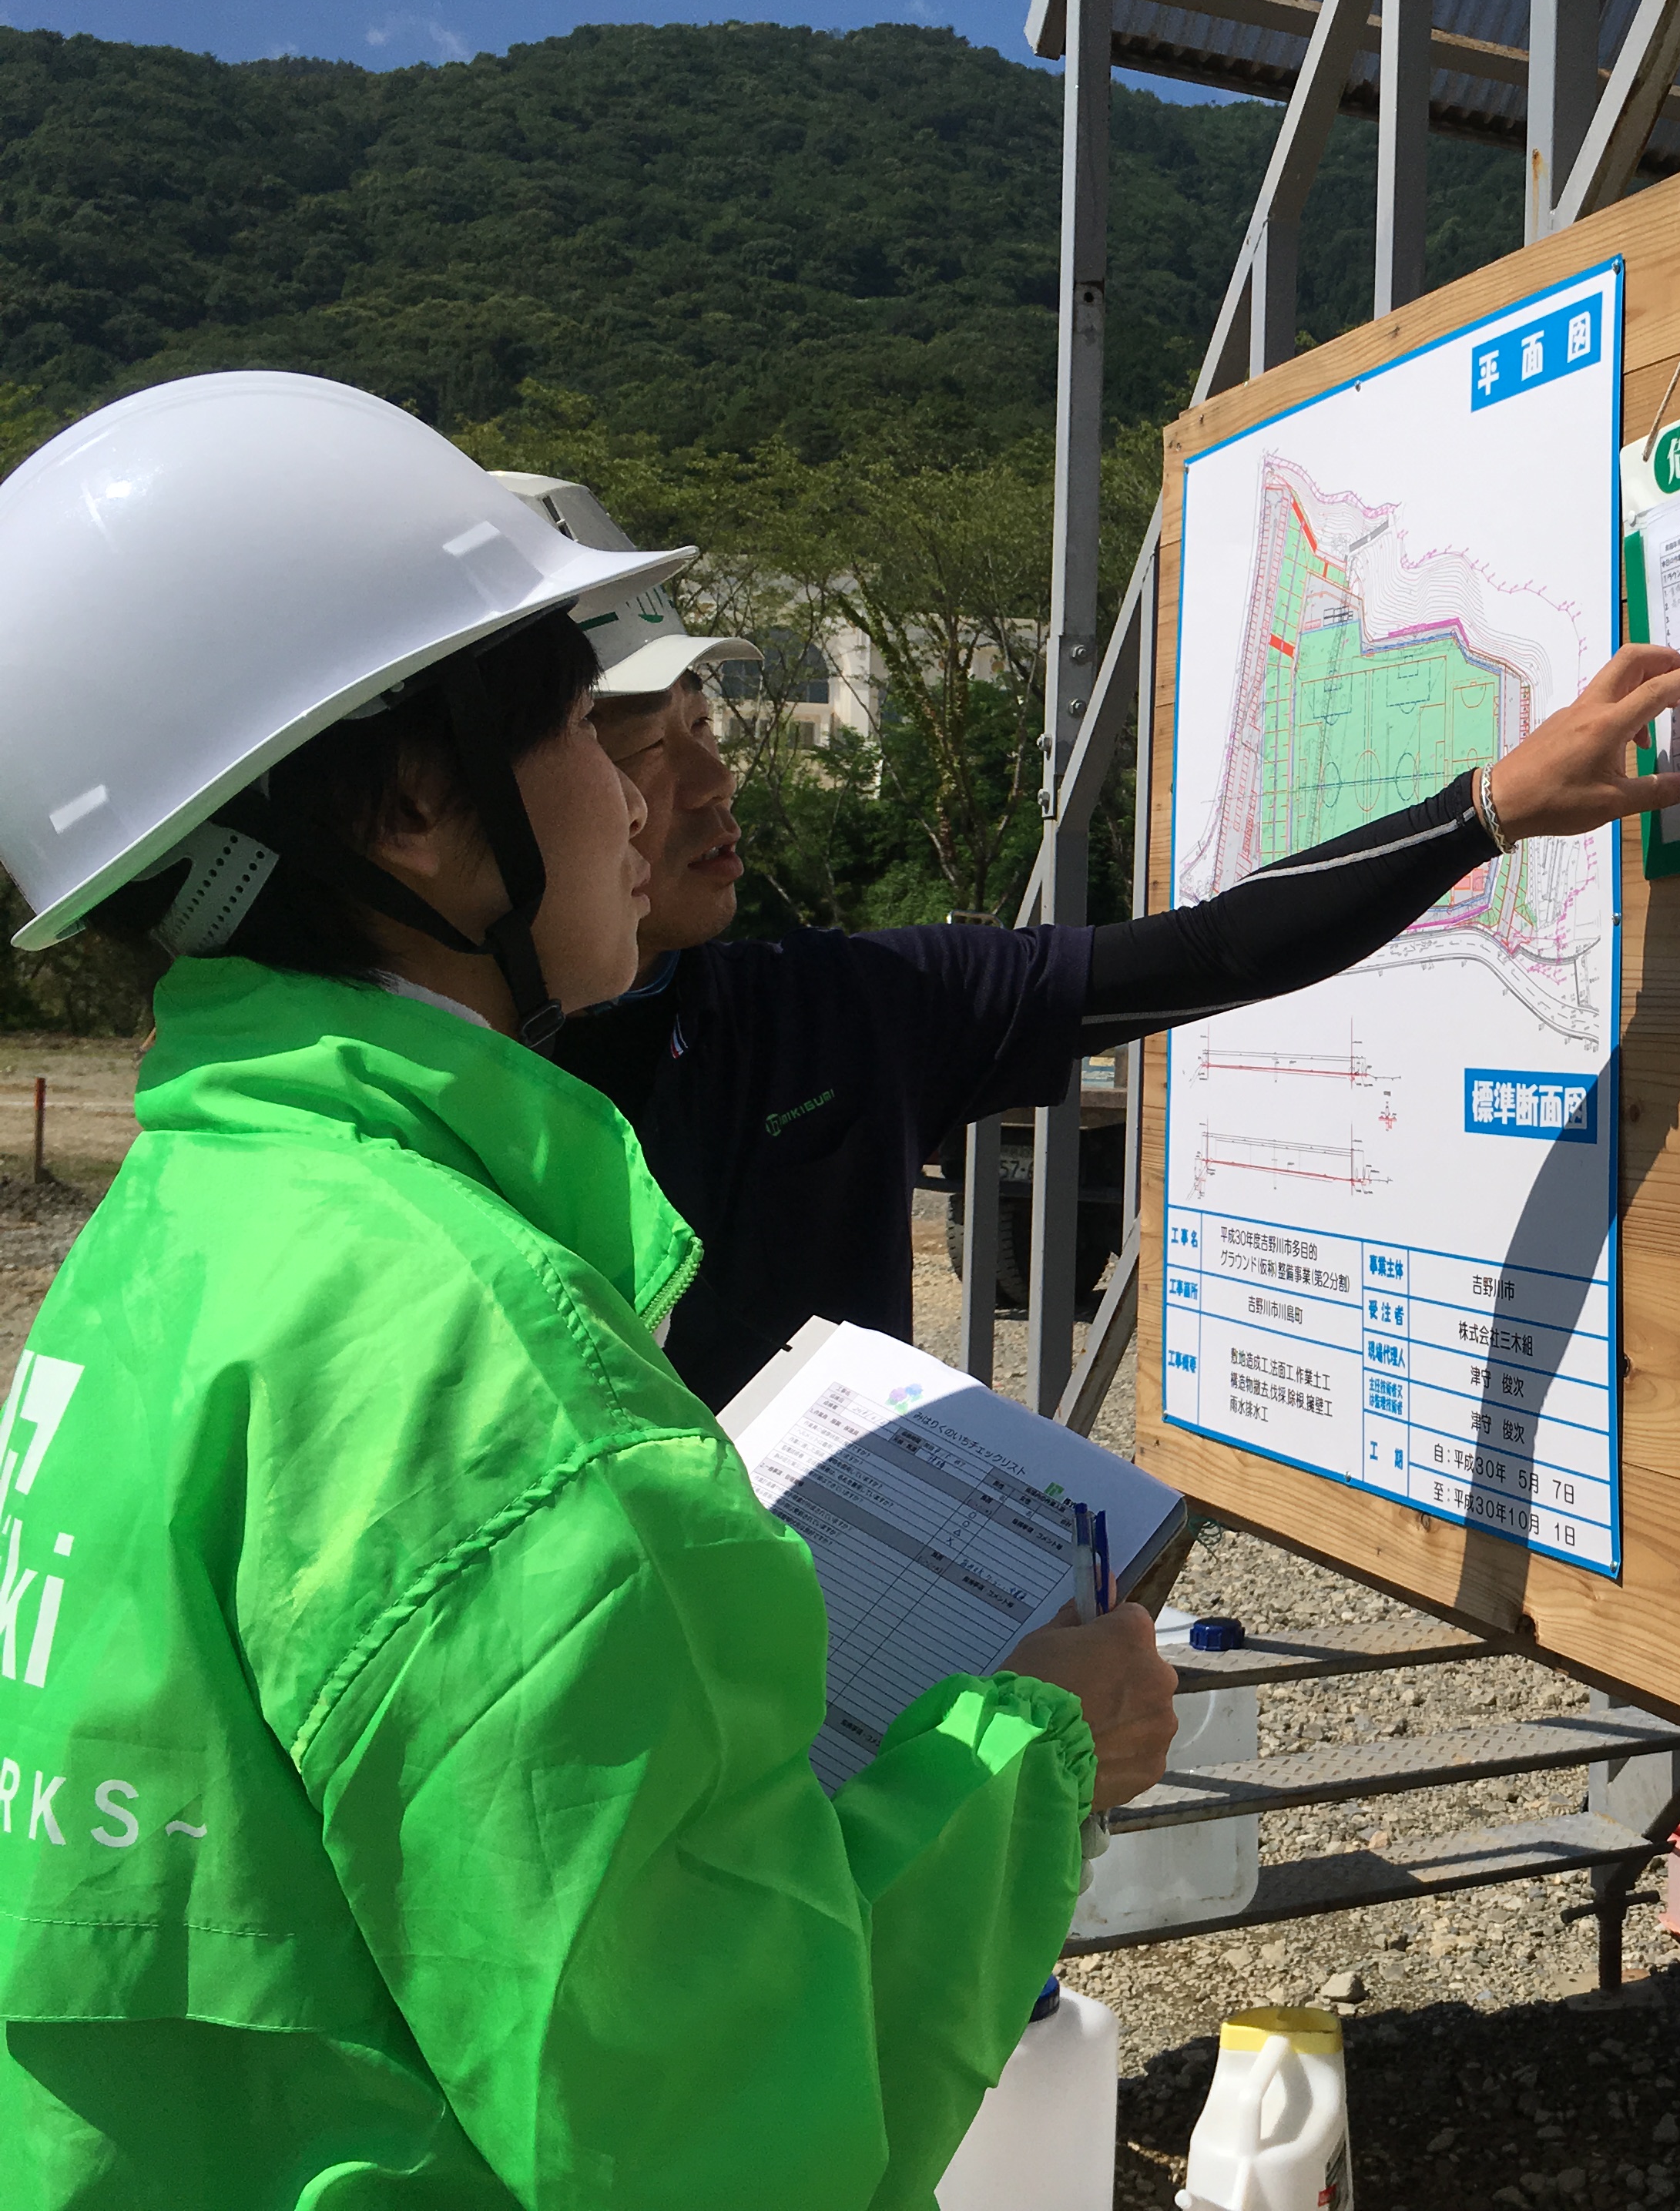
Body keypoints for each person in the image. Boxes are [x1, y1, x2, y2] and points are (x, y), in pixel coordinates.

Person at [0, 371, 1179, 2209]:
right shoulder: (485, 1360)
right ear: (417, 804)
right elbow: (718, 2134)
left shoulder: (177, 1232)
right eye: (578, 727)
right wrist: (1032, 1754)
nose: (635, 800)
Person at [510, 478, 1680, 1410]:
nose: (713, 781)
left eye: (705, 724)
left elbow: (1216, 950)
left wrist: (1484, 810)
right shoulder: (418, 1138)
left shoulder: (842, 1010)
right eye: (643, 748)